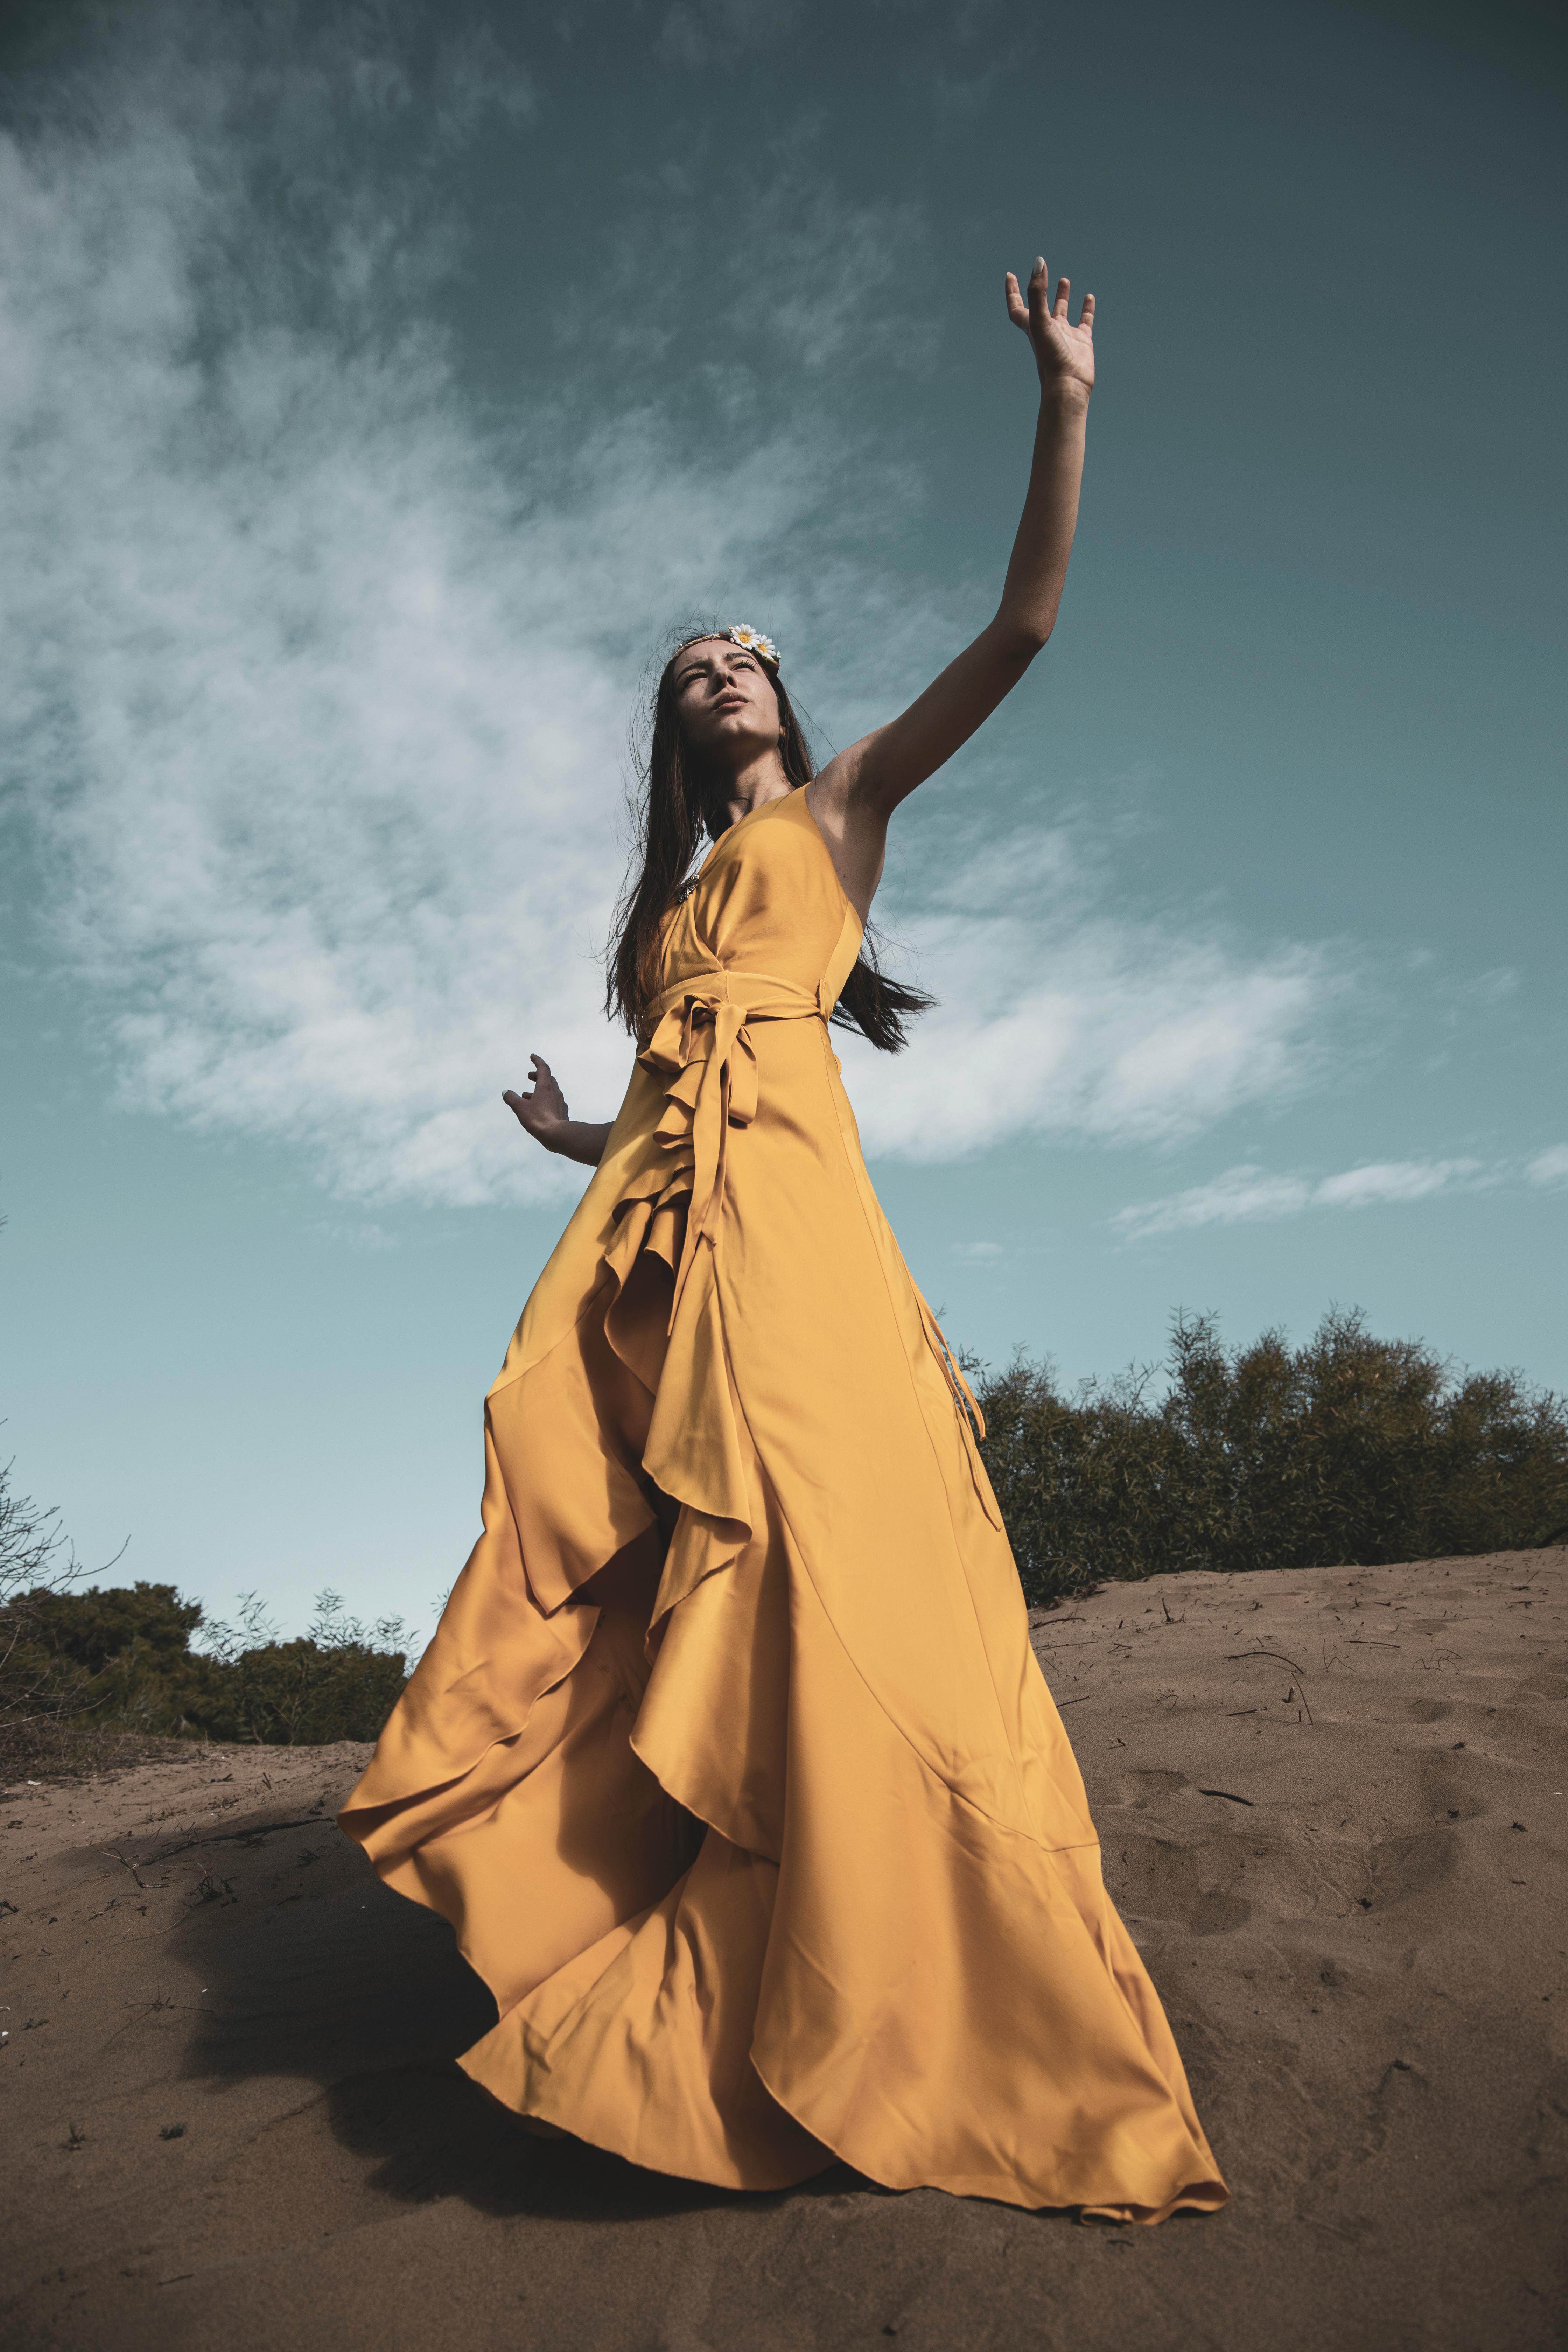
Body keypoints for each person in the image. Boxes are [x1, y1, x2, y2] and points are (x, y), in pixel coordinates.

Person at [340, 257, 1226, 2221]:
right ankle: (652, 1906)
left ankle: (890, 1962)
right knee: (636, 1539)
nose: (722, 665)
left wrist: (1064, 400)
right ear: (671, 723)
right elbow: (676, 1097)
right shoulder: (665, 915)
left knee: (819, 1539)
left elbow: (1022, 628)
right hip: (665, 1230)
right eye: (690, 664)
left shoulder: (840, 811)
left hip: (803, 1214)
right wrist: (583, 1130)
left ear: (785, 693)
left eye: (742, 649)